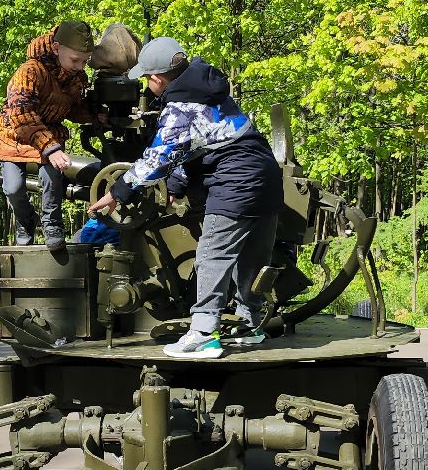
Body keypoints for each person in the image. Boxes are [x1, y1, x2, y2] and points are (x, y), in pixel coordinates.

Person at [88, 37, 283, 360]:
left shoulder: (180, 107)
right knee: (251, 256)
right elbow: (199, 144)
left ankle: (204, 334)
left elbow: (158, 158)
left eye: (146, 79)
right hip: (265, 176)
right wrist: (177, 186)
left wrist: (117, 193)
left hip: (235, 181)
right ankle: (251, 324)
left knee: (211, 256)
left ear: (157, 78)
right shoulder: (208, 90)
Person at [0, 21, 98, 250]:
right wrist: (50, 147)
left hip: (49, 133)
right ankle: (25, 221)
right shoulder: (30, 72)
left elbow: (71, 108)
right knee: (13, 188)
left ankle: (52, 224)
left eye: (85, 61)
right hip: (15, 136)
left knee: (52, 181)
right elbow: (21, 113)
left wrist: (95, 115)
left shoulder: (75, 78)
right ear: (56, 48)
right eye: (75, 60)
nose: (80, 67)